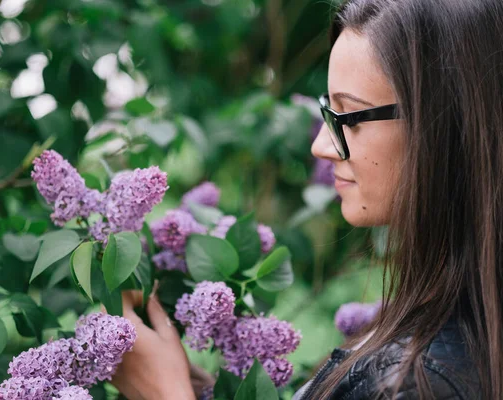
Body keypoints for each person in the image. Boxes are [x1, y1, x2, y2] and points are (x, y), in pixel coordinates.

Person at [109, 0, 503, 398]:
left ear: (447, 127)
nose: (320, 145)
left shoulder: (420, 382)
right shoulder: (446, 334)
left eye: (348, 116)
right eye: (327, 110)